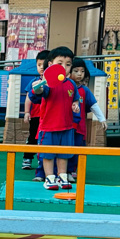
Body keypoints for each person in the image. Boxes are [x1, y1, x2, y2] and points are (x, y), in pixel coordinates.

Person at [31, 46, 78, 190]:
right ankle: (49, 178)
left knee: (64, 154)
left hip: (67, 127)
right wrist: (37, 88)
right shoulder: (47, 83)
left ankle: (62, 176)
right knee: (48, 154)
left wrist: (76, 105)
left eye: (68, 64)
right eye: (60, 63)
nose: (64, 67)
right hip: (48, 127)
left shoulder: (71, 84)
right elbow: (38, 93)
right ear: (51, 64)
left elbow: (75, 99)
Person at [68, 57, 107, 181]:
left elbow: (93, 105)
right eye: (76, 71)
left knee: (77, 148)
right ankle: (61, 171)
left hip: (79, 127)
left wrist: (102, 119)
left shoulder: (84, 90)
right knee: (65, 148)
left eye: (82, 71)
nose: (80, 74)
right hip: (65, 126)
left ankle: (71, 170)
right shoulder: (65, 87)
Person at [23, 50, 50, 174]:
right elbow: (28, 97)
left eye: (44, 65)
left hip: (49, 117)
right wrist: (26, 112)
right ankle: (27, 158)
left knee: (46, 140)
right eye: (39, 65)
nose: (42, 68)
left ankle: (43, 161)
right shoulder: (34, 81)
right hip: (36, 116)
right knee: (33, 137)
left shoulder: (54, 83)